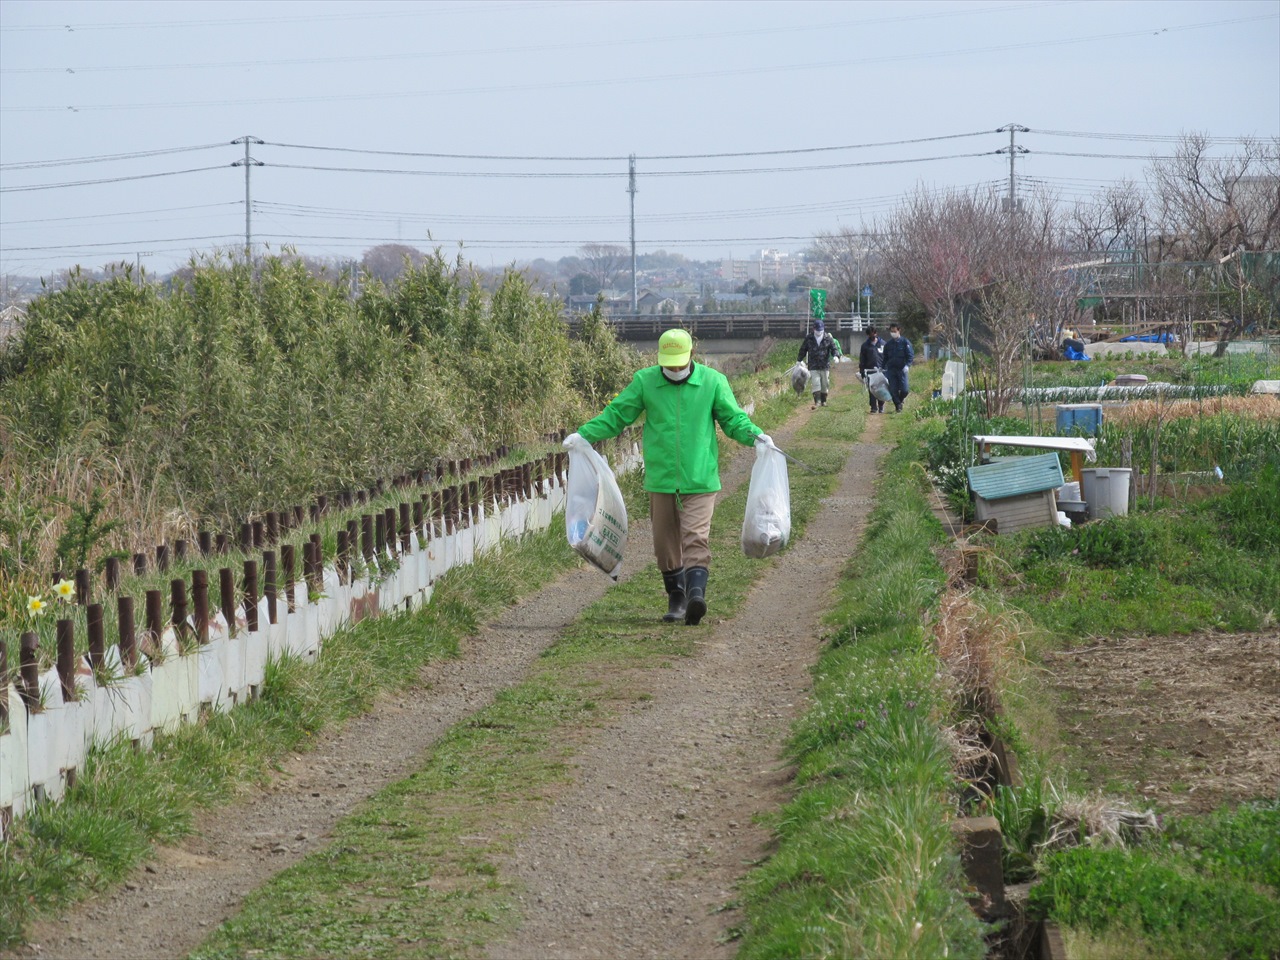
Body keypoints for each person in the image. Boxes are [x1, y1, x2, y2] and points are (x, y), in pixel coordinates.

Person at [563, 328, 770, 626]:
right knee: (665, 544)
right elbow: (617, 415)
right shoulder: (645, 382)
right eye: (668, 363)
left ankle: (696, 595)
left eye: (678, 362)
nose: (673, 368)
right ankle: (677, 598)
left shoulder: (712, 383)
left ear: (691, 357)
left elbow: (732, 419)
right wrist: (583, 435)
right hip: (661, 478)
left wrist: (756, 436)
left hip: (699, 478)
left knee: (696, 536)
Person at [797, 319, 842, 409]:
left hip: (825, 365)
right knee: (816, 383)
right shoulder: (809, 338)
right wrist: (799, 360)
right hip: (813, 365)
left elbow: (834, 348)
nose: (819, 332)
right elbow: (803, 349)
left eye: (821, 330)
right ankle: (817, 401)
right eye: (817, 330)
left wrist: (836, 356)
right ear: (814, 329)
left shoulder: (828, 338)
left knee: (825, 383)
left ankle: (824, 401)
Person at [882, 323, 915, 413]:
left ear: (899, 331)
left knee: (904, 390)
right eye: (891, 331)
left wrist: (907, 365)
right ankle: (898, 405)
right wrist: (882, 368)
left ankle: (900, 400)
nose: (893, 333)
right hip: (891, 370)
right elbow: (885, 357)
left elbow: (910, 355)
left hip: (902, 369)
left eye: (894, 331)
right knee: (893, 389)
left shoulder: (905, 342)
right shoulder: (888, 344)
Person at [858, 326, 886, 414]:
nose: (872, 335)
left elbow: (887, 357)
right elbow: (862, 359)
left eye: (874, 333)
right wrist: (862, 370)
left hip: (881, 370)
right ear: (868, 335)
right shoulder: (865, 346)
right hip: (870, 370)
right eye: (870, 334)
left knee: (881, 388)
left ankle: (881, 405)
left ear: (876, 333)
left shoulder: (883, 344)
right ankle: (873, 407)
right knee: (872, 389)